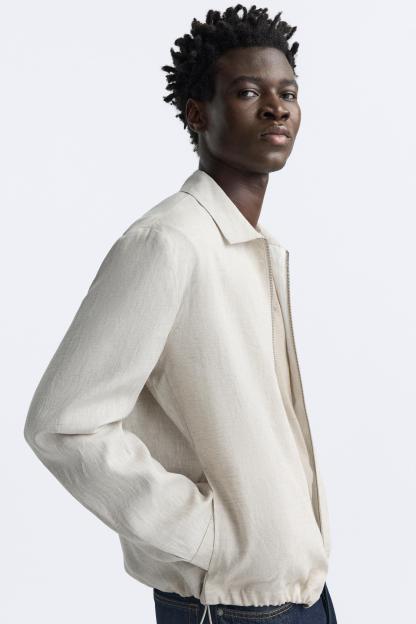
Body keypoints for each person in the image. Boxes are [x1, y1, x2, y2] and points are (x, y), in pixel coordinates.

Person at [24, 4, 338, 624]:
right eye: (248, 92)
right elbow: (63, 424)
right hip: (226, 606)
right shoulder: (167, 244)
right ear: (198, 114)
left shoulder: (255, 248)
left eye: (287, 93)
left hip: (302, 594)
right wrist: (209, 538)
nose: (276, 109)